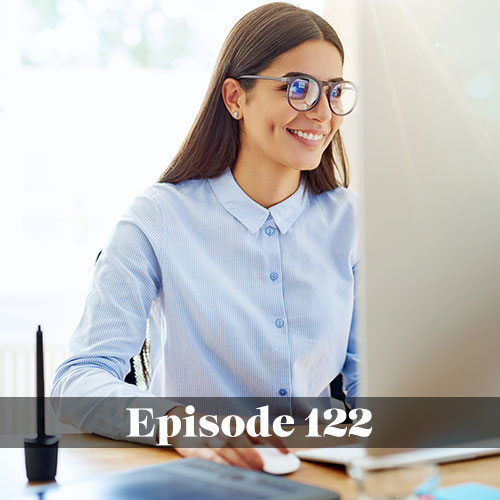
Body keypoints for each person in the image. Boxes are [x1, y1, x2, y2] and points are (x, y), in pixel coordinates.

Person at [52, 2, 360, 471]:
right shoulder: (158, 218)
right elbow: (76, 382)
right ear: (236, 98)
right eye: (299, 88)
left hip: (324, 473)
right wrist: (180, 425)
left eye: (335, 92)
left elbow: (373, 383)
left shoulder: (351, 223)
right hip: (201, 474)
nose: (322, 113)